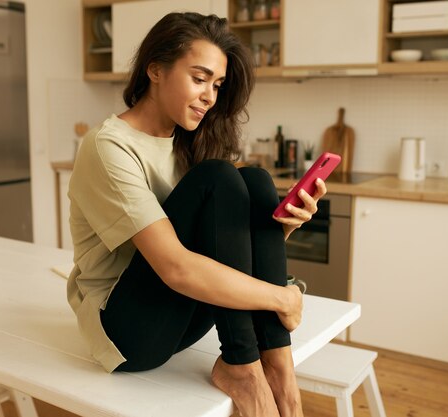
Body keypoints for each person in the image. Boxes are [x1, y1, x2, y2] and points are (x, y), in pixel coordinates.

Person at [67, 12, 326, 417]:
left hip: (183, 318)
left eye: (217, 85)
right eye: (199, 78)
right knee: (221, 176)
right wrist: (283, 297)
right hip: (127, 334)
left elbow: (228, 249)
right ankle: (244, 367)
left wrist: (284, 227)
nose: (210, 95)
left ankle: (278, 369)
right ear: (155, 69)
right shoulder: (108, 146)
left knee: (256, 182)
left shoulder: (189, 142)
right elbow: (176, 269)